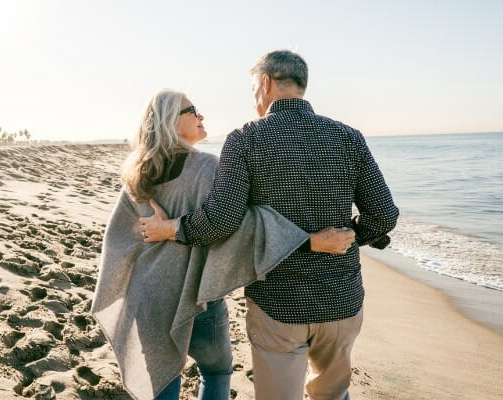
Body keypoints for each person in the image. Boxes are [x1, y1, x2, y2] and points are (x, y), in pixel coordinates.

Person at [139, 50, 399, 400]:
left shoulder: (245, 138)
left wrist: (173, 228)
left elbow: (221, 220)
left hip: (279, 301)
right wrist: (350, 236)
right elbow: (384, 215)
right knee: (333, 394)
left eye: (252, 89)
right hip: (342, 298)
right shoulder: (348, 136)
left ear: (265, 83)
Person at [91, 89, 355, 400]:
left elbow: (119, 238)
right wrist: (309, 241)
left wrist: (153, 239)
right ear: (169, 122)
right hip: (197, 297)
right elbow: (241, 226)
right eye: (192, 110)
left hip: (148, 297)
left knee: (162, 379)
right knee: (216, 370)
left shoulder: (137, 172)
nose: (201, 115)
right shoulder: (207, 168)